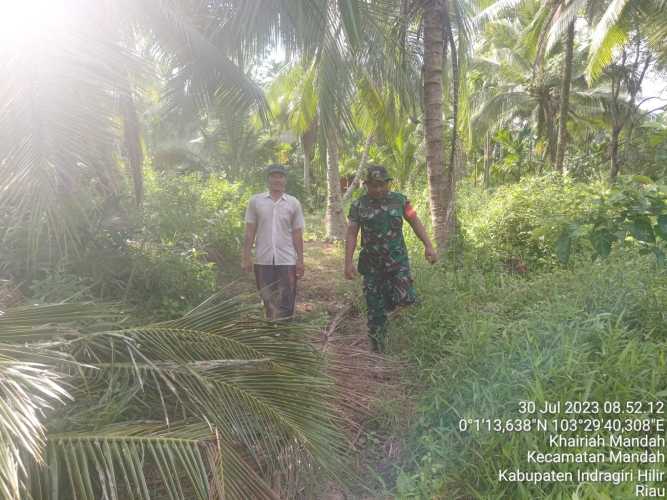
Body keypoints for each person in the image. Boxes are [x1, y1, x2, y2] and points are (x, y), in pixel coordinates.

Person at [344, 165, 437, 352]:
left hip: (397, 262)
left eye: (381, 185)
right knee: (375, 310)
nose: (378, 189)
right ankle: (378, 350)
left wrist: (428, 245)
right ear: (366, 185)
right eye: (373, 185)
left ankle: (393, 317)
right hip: (371, 266)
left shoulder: (401, 201)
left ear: (388, 183)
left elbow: (415, 221)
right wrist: (347, 262)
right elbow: (352, 234)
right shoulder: (358, 205)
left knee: (406, 298)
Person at [242, 164, 305, 320]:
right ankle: (271, 335)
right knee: (267, 299)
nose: (277, 180)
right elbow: (250, 231)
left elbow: (297, 233)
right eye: (274, 176)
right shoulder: (255, 202)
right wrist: (246, 256)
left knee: (287, 300)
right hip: (263, 259)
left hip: (287, 259)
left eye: (281, 176)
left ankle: (284, 335)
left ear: (285, 180)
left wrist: (301, 260)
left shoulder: (293, 203)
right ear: (268, 179)